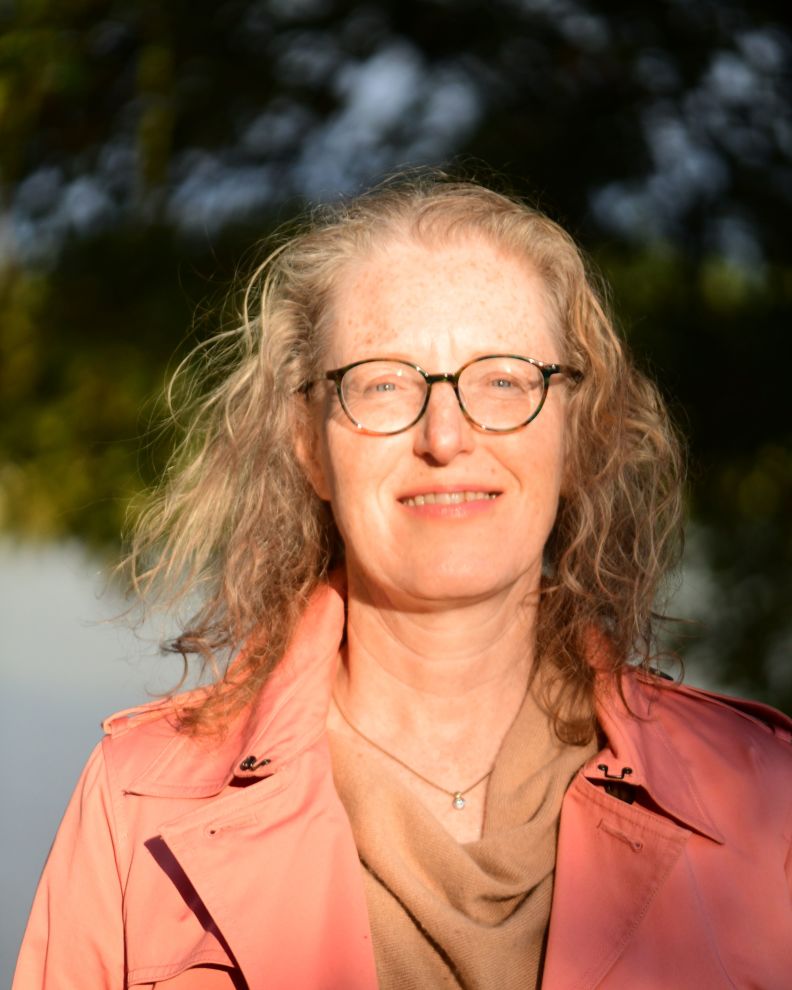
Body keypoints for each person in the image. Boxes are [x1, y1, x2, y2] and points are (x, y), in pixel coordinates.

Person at [13, 174, 792, 990]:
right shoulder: (138, 802)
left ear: (577, 432)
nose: (446, 437)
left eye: (503, 380)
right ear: (309, 443)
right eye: (384, 384)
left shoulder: (761, 797)